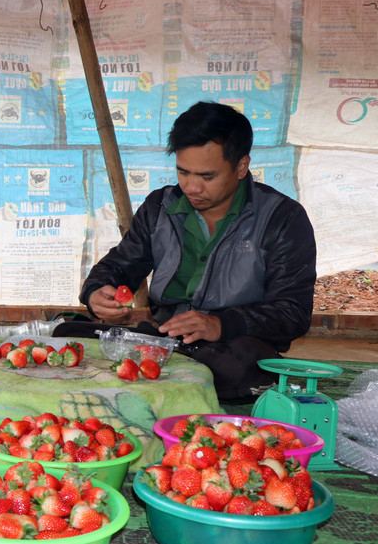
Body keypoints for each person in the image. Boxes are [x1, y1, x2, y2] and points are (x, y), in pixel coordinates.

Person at [60, 101, 316, 403]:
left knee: (240, 369)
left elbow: (292, 312)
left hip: (233, 346)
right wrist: (96, 291)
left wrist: (221, 324)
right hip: (165, 340)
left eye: (207, 177)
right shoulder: (159, 208)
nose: (192, 187)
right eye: (183, 172)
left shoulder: (282, 219)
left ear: (241, 166)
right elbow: (120, 264)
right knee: (65, 334)